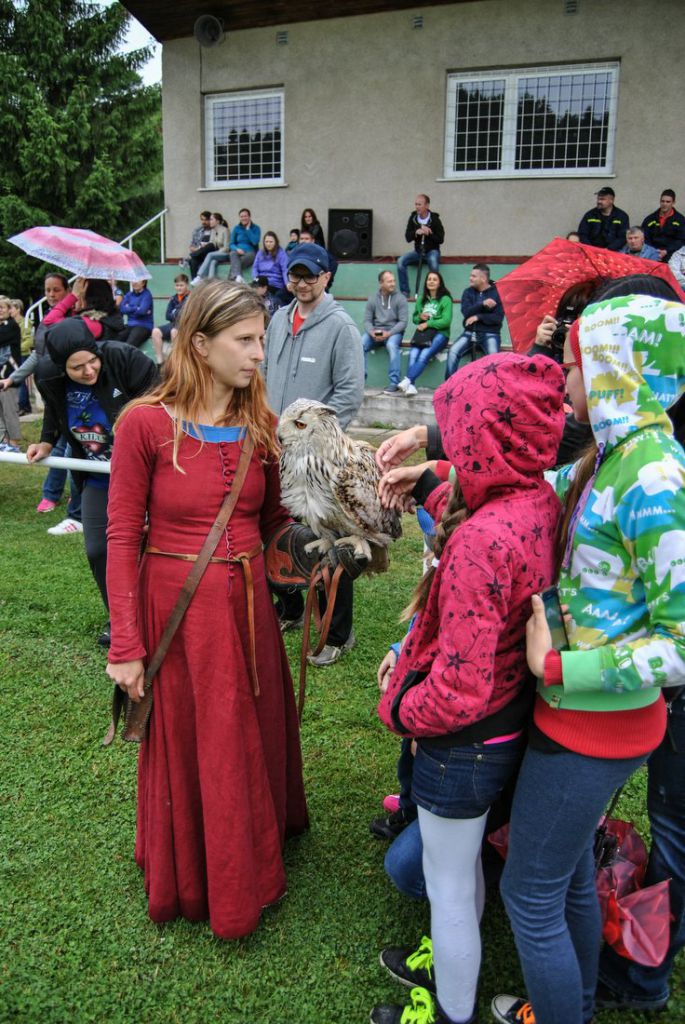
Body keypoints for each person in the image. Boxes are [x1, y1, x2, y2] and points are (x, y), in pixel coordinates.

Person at [491, 278, 685, 1024]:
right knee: (567, 874)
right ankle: (570, 1006)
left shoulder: (654, 475)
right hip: (576, 715)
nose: (564, 380)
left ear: (613, 368)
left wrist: (559, 666)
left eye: (574, 365)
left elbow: (679, 645)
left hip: (595, 725)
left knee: (528, 892)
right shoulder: (615, 453)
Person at [104, 279, 308, 938]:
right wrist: (126, 646)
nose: (258, 354)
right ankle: (199, 873)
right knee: (202, 737)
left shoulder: (262, 426)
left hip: (249, 612)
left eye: (261, 340)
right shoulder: (143, 424)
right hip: (179, 612)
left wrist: (326, 546)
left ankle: (254, 846)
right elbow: (120, 537)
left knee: (247, 727)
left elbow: (275, 525)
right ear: (199, 344)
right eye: (244, 340)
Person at [371, 353, 566, 1024]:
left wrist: (398, 707)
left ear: (485, 441)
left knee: (450, 889)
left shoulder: (479, 543)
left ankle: (452, 1013)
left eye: (459, 434)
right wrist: (429, 484)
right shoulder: (537, 499)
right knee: (462, 875)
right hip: (510, 722)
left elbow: (456, 691)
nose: (450, 445)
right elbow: (481, 510)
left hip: (463, 746)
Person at [27, 317, 158, 645]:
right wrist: (46, 441)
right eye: (77, 367)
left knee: (152, 548)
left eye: (92, 361)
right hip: (97, 475)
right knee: (99, 549)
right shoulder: (47, 375)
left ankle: (156, 616)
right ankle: (121, 619)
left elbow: (162, 408)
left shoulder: (124, 359)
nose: (88, 371)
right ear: (61, 367)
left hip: (146, 474)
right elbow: (54, 409)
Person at [263, 241, 364, 665]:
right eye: (295, 274)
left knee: (327, 541)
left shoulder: (341, 328)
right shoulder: (278, 319)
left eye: (310, 275)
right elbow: (264, 374)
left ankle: (336, 633)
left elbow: (349, 394)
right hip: (272, 448)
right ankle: (289, 607)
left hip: (315, 461)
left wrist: (308, 438)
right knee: (274, 529)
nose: (301, 283)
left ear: (326, 277)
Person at [0, 274, 82, 524]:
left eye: (56, 290)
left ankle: (68, 497)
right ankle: (56, 494)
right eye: (47, 290)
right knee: (58, 442)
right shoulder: (47, 320)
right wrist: (13, 379)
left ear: (67, 291)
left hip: (74, 392)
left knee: (68, 444)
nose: (51, 295)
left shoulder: (74, 318)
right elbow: (38, 355)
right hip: (52, 390)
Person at [397, 271, 452, 396]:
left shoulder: (445, 299)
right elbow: (415, 318)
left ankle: (408, 380)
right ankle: (411, 386)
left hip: (441, 334)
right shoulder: (421, 299)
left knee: (424, 354)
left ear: (440, 283)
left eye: (435, 279)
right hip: (424, 334)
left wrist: (428, 323)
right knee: (413, 354)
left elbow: (446, 321)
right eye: (429, 279)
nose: (431, 281)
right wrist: (420, 317)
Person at [445, 264, 504, 378]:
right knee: (452, 352)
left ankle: (492, 388)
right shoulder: (468, 292)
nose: (470, 278)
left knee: (494, 360)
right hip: (470, 332)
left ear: (483, 279)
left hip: (490, 334)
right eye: (470, 275)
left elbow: (497, 318)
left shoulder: (497, 293)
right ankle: (449, 385)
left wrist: (478, 317)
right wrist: (482, 304)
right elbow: (466, 312)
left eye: (473, 276)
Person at [361, 270, 408, 394]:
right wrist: (372, 332)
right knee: (360, 344)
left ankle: (394, 382)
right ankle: (360, 380)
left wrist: (389, 333)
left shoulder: (400, 298)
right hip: (376, 331)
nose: (393, 284)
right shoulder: (373, 298)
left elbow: (403, 322)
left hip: (394, 332)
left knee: (392, 345)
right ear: (381, 283)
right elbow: (367, 320)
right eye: (389, 281)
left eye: (394, 281)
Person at [397, 194, 445, 298]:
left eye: (419, 204)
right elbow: (407, 237)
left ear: (427, 205)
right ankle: (405, 292)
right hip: (418, 252)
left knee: (433, 262)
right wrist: (416, 232)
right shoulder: (413, 218)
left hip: (432, 251)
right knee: (400, 261)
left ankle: (433, 293)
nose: (417, 207)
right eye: (416, 204)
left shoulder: (435, 219)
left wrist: (429, 233)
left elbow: (441, 239)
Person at [150, 273, 190, 365]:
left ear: (187, 285)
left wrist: (175, 313)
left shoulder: (191, 298)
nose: (179, 288)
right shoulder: (173, 298)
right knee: (155, 331)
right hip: (173, 323)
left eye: (181, 285)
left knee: (174, 332)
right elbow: (167, 316)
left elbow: (185, 315)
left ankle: (176, 363)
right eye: (177, 285)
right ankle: (160, 363)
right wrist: (177, 313)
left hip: (185, 324)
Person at [0, 295, 22, 451]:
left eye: (2, 307)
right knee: (0, 412)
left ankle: (14, 443)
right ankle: (3, 441)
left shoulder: (12, 326)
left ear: (9, 310)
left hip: (9, 376)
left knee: (10, 411)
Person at [577, 186, 629, 251]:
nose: (599, 201)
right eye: (598, 199)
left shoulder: (622, 216)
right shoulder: (590, 215)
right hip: (591, 252)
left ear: (611, 200)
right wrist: (591, 249)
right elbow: (582, 234)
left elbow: (623, 237)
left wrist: (609, 249)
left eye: (602, 199)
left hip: (614, 252)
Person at [641, 189, 685, 262]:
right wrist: (654, 251)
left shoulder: (680, 220)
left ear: (673, 202)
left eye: (668, 202)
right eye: (662, 201)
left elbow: (681, 240)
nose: (664, 204)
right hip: (651, 254)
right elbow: (644, 237)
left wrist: (666, 251)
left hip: (672, 254)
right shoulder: (650, 219)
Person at [251, 231, 289, 307]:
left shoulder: (281, 254)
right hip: (260, 281)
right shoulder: (260, 253)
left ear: (276, 242)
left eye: (271, 242)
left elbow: (285, 270)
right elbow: (255, 268)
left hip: (274, 284)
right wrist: (256, 279)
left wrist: (287, 283)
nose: (268, 244)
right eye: (266, 241)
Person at [9, 298, 33, 415]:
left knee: (20, 380)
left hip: (22, 355)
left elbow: (29, 341)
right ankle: (23, 405)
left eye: (11, 308)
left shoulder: (25, 322)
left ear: (18, 309)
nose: (9, 311)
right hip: (13, 356)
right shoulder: (11, 323)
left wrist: (15, 349)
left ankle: (23, 406)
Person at [189, 213, 229, 281]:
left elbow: (226, 248)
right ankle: (209, 281)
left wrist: (216, 252)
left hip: (224, 253)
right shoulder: (213, 230)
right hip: (215, 253)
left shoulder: (225, 230)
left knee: (210, 254)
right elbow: (211, 243)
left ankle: (199, 276)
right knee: (212, 261)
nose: (210, 221)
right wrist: (205, 246)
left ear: (217, 221)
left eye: (211, 219)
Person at [227, 208, 261, 282]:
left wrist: (248, 229)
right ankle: (238, 277)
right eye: (241, 216)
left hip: (250, 253)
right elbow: (231, 244)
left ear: (249, 217)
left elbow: (255, 242)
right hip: (238, 252)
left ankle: (233, 279)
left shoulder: (256, 228)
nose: (243, 218)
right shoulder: (236, 228)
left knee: (235, 264)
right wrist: (237, 249)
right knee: (232, 253)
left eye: (245, 216)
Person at [119, 279, 154, 348]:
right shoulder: (129, 294)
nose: (134, 282)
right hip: (130, 325)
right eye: (133, 280)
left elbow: (142, 311)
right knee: (116, 339)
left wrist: (129, 307)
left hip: (144, 326)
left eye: (137, 280)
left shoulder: (147, 295)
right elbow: (122, 309)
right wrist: (136, 308)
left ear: (143, 283)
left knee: (129, 345)